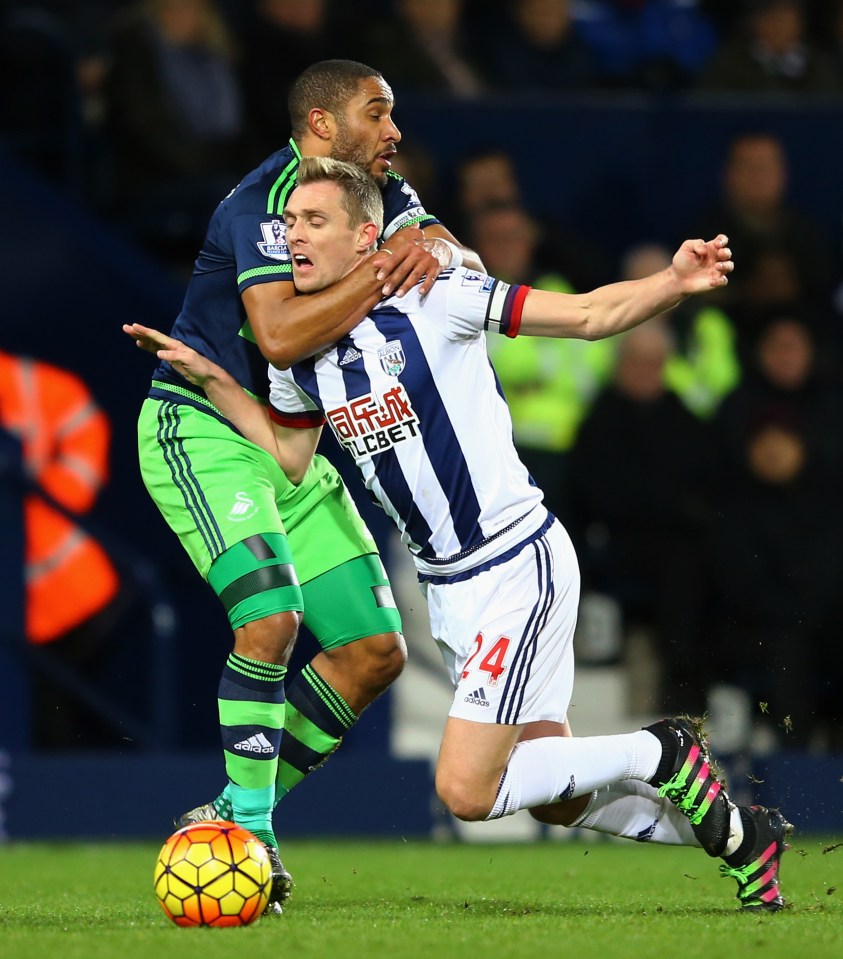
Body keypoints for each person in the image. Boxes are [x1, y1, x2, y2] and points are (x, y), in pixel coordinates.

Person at [125, 157, 792, 912]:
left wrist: (672, 281)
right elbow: (287, 456)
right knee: (554, 794)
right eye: (288, 225)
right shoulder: (297, 359)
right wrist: (213, 383)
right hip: (449, 590)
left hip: (513, 562)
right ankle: (742, 834)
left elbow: (582, 317)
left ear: (365, 235)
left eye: (315, 222)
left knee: (467, 789)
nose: (292, 238)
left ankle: (664, 750)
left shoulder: (431, 294)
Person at [125, 59, 481, 913]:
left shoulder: (382, 194)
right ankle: (252, 837)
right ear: (322, 124)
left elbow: (451, 253)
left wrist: (420, 241)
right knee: (271, 619)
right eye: (376, 112)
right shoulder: (262, 204)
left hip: (293, 446)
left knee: (372, 653)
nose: (394, 129)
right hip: (203, 430)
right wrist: (392, 257)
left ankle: (229, 813)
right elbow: (280, 335)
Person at [0, 348, 123, 748]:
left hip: (74, 599)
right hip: (25, 610)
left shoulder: (26, 384)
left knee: (61, 724)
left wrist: (35, 511)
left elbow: (83, 427)